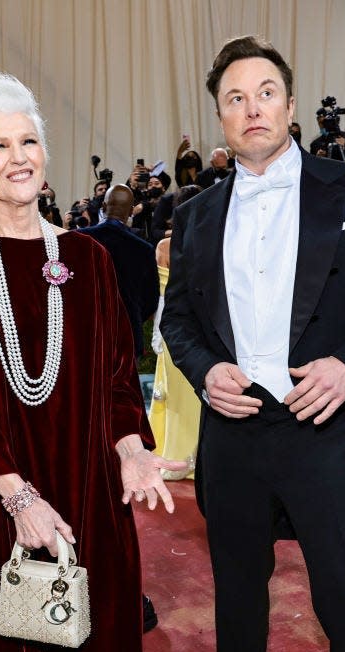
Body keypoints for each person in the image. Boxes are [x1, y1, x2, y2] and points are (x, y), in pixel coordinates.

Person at [160, 36, 345, 652]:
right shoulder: (195, 214)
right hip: (232, 440)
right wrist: (203, 372)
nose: (252, 107)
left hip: (324, 432)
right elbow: (176, 318)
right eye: (235, 97)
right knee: (237, 615)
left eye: (265, 93)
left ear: (290, 106)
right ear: (221, 117)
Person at [0, 65, 182, 652]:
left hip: (90, 490)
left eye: (28, 141)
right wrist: (20, 499)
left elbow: (118, 376)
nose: (18, 157)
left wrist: (132, 447)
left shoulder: (88, 258)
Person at [149, 184, 203, 481]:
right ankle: (199, 455)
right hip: (199, 329)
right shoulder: (209, 241)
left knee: (172, 393)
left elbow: (161, 294)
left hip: (169, 326)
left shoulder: (163, 248)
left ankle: (171, 451)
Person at [78, 184, 159, 359]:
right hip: (126, 339)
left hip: (84, 336)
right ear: (131, 212)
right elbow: (151, 301)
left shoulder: (78, 239)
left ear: (104, 207)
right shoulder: (144, 249)